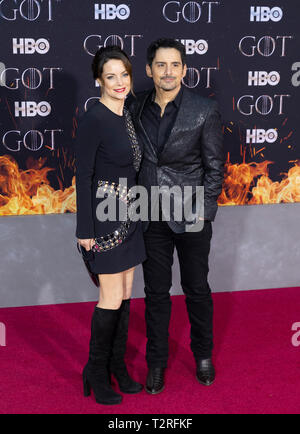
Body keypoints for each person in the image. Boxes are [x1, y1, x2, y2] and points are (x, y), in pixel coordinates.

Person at [127, 38, 225, 394]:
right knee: (155, 293)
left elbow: (215, 168)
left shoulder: (203, 110)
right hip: (150, 213)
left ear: (184, 70)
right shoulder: (135, 107)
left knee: (196, 289)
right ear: (150, 70)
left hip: (192, 214)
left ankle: (203, 355)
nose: (168, 72)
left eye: (175, 65)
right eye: (161, 65)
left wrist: (203, 212)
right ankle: (156, 362)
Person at [75, 46, 146, 405]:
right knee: (111, 298)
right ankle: (96, 371)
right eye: (111, 76)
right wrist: (84, 229)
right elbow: (83, 175)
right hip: (103, 221)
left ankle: (118, 366)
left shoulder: (127, 114)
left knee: (127, 295)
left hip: (130, 216)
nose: (119, 82)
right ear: (98, 81)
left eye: (124, 74)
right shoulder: (95, 118)